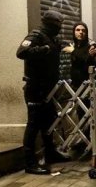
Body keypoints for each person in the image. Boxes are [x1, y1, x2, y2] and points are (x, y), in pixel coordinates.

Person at [16, 10, 72, 175]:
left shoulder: (52, 38)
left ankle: (50, 153)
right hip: (35, 87)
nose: (60, 28)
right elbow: (21, 53)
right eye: (58, 24)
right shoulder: (36, 36)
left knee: (49, 121)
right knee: (33, 124)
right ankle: (30, 162)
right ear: (51, 24)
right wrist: (45, 49)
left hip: (48, 87)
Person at [63, 21, 96, 91]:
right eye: (78, 30)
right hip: (74, 83)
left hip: (86, 84)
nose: (81, 32)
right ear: (74, 32)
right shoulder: (73, 45)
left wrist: (73, 51)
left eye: (83, 30)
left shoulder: (91, 46)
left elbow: (86, 60)